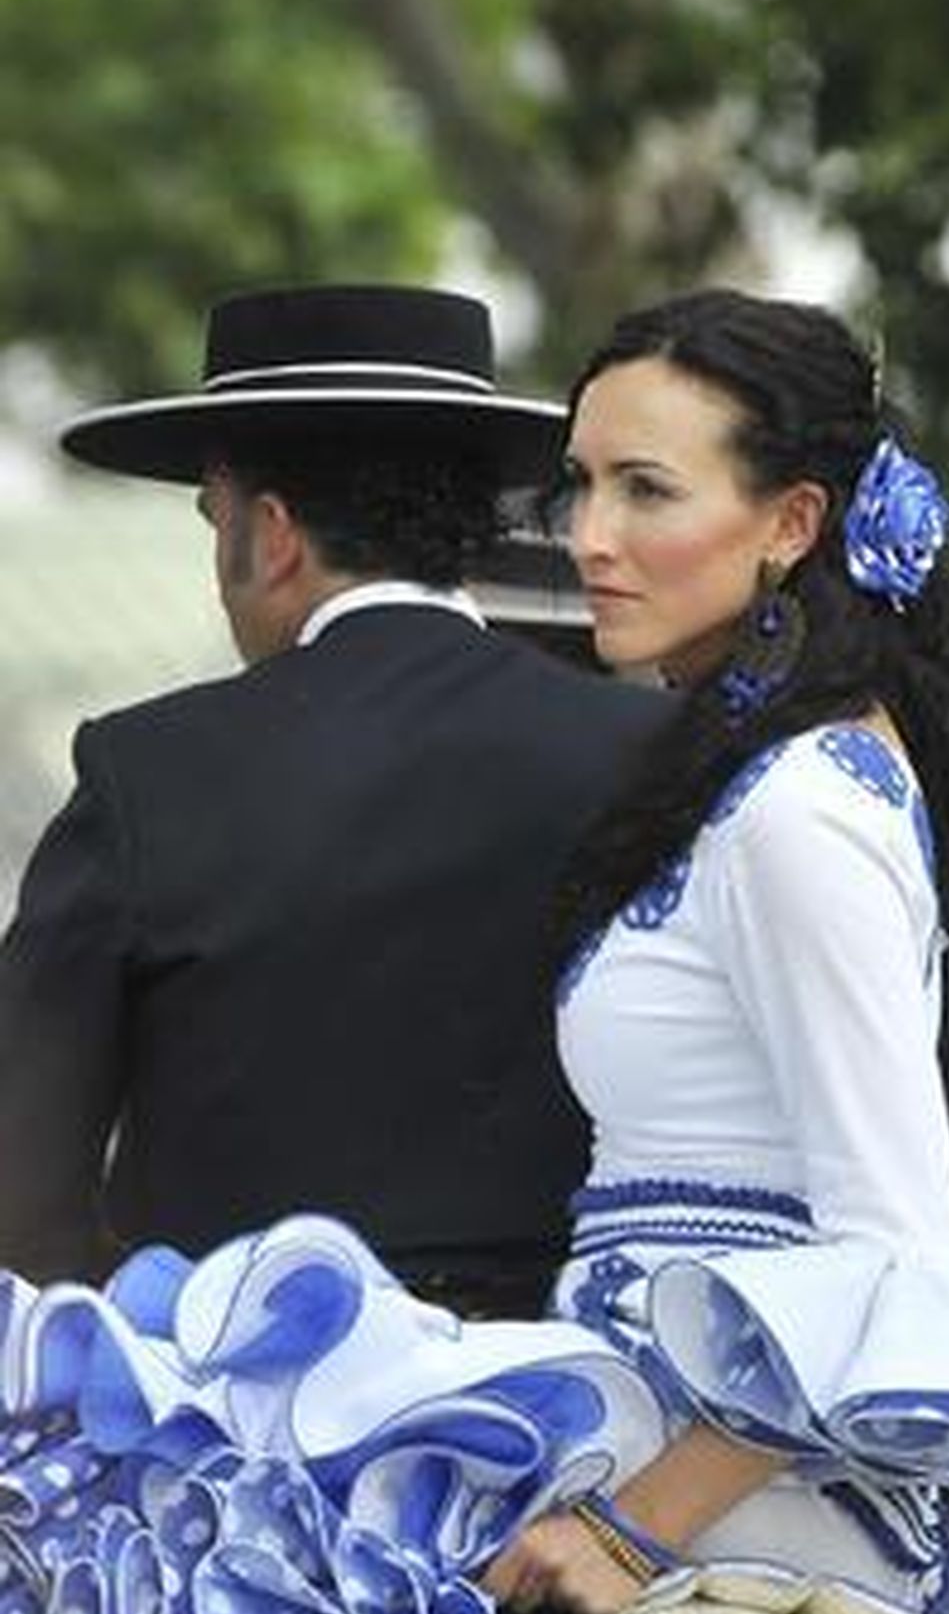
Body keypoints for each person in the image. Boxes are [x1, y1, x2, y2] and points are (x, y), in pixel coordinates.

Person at [0, 287, 949, 1614]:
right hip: (581, 1415)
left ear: (264, 529)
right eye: (581, 489)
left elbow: (25, 1205)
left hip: (553, 1461)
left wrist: (635, 1517)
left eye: (641, 491)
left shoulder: (762, 792)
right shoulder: (665, 764)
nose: (597, 537)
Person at [0, 282, 663, 1312]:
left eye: (212, 520)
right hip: (569, 1386)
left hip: (231, 1394)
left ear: (271, 535)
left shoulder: (148, 770)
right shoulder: (648, 752)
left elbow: (23, 1182)